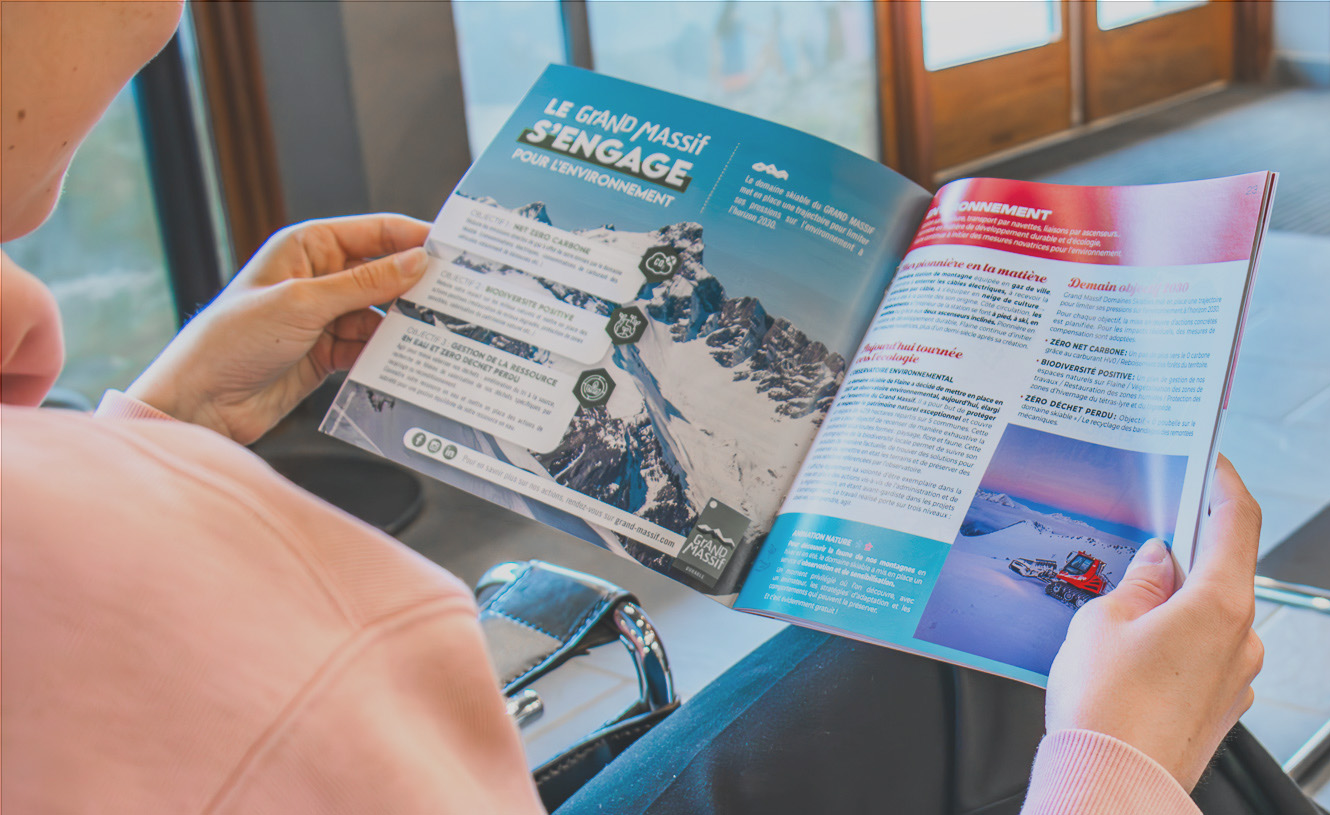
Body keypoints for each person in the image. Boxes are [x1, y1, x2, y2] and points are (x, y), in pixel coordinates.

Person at [0, 3, 1265, 814]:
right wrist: (1118, 772)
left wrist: (155, 435)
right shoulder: (306, 626)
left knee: (957, 667)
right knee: (1056, 688)